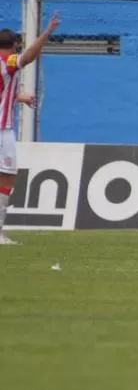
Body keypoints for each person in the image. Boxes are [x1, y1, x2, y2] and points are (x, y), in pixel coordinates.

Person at [0, 14, 59, 246]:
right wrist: (47, 32)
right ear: (14, 45)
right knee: (6, 179)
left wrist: (17, 96)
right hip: (2, 130)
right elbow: (28, 57)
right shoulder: (8, 61)